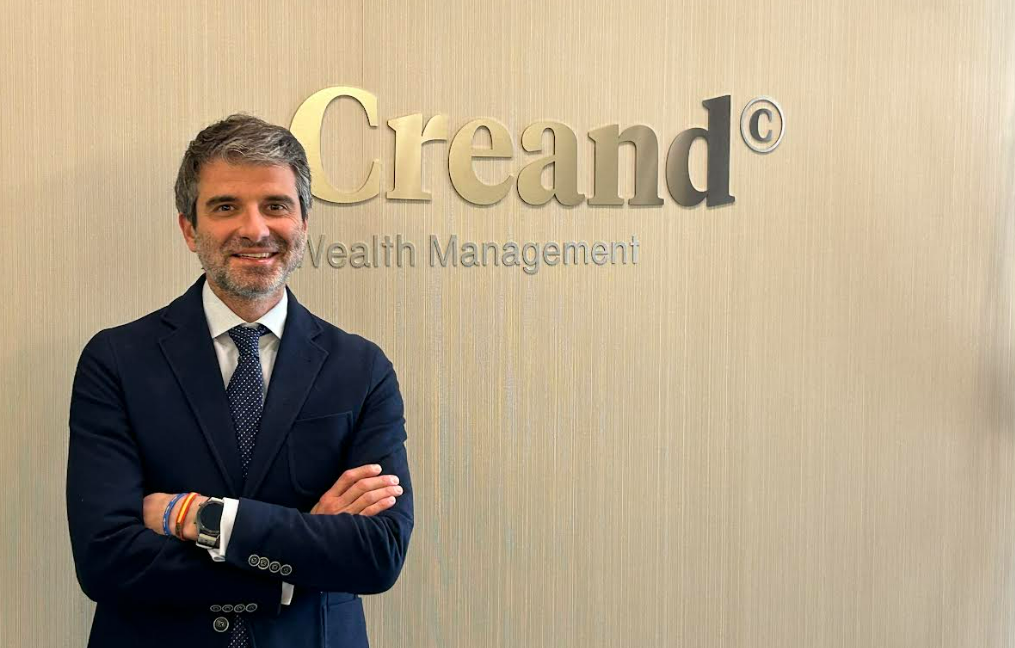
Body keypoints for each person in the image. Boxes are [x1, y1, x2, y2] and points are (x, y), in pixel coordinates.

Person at [66, 114, 413, 648]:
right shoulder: (117, 361)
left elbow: (377, 554)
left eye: (275, 205)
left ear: (303, 223)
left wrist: (195, 516)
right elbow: (105, 559)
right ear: (189, 229)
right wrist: (291, 570)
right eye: (226, 206)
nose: (255, 229)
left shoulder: (361, 369)